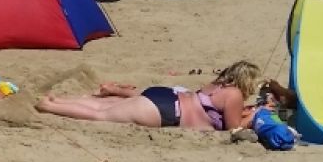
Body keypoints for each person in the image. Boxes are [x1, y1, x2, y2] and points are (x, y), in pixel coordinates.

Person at [35, 61, 261, 132]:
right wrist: (252, 117)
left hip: (165, 96)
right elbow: (233, 129)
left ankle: (59, 100)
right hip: (167, 112)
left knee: (104, 104)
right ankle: (49, 107)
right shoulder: (234, 94)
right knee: (99, 115)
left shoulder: (218, 85)